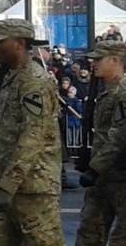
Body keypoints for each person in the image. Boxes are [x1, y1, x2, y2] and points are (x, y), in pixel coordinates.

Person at [0, 19, 63, 246]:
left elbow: (32, 137)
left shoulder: (34, 82)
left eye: (1, 42)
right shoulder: (10, 78)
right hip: (4, 183)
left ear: (19, 43)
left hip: (32, 187)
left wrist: (8, 184)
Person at [74, 40, 126, 245]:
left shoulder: (123, 92)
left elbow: (119, 134)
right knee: (89, 232)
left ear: (115, 60)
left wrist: (95, 168)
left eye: (99, 59)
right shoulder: (106, 92)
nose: (93, 63)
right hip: (103, 177)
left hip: (120, 177)